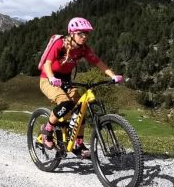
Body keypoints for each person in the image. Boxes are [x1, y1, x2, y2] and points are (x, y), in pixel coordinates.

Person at [39, 16, 124, 158]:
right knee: (65, 103)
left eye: (86, 34)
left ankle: (78, 143)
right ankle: (47, 130)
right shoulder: (60, 44)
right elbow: (47, 64)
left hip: (66, 80)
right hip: (48, 79)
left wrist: (113, 76)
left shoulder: (83, 49)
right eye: (80, 34)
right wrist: (52, 78)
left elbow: (98, 62)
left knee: (80, 107)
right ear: (72, 33)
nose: (84, 37)